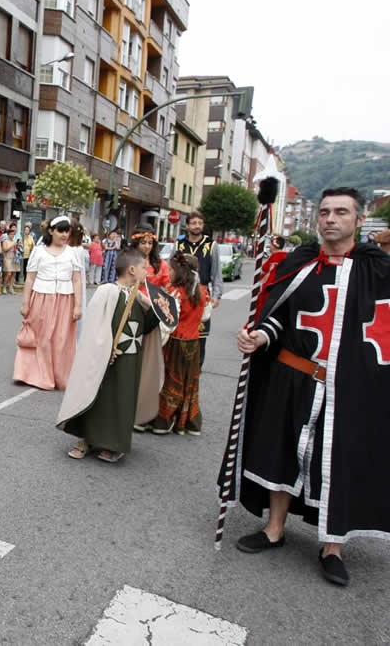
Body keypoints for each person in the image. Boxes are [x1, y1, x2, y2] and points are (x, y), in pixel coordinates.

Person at [228, 188, 390, 587]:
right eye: (324, 212)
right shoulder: (299, 265)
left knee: (338, 459)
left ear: (357, 219)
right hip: (293, 377)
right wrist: (260, 338)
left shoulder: (378, 271)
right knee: (282, 451)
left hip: (349, 388)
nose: (330, 218)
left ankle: (332, 546)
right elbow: (277, 316)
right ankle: (274, 528)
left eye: (340, 212)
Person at [57, 249, 162, 462]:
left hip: (130, 359)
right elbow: (95, 326)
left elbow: (145, 328)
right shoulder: (107, 291)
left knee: (121, 400)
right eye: (144, 268)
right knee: (98, 395)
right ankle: (87, 438)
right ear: (132, 270)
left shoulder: (140, 297)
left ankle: (115, 443)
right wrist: (104, 349)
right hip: (108, 356)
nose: (147, 272)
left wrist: (159, 312)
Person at [13, 217, 82, 391]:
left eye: (67, 231)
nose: (65, 234)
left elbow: (77, 280)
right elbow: (30, 279)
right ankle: (39, 375)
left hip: (65, 299)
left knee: (62, 339)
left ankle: (60, 376)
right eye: (61, 230)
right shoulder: (39, 251)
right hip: (41, 297)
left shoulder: (73, 252)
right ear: (51, 231)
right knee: (42, 337)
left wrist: (78, 306)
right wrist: (25, 304)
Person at [144, 253, 209, 435]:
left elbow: (169, 321)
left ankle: (163, 421)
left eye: (171, 269)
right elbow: (205, 315)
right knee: (189, 381)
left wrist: (159, 342)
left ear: (180, 271)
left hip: (175, 342)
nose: (169, 272)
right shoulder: (202, 291)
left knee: (170, 380)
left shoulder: (175, 293)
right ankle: (188, 421)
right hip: (193, 342)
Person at [176, 211, 222, 367]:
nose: (197, 226)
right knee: (179, 331)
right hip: (181, 292)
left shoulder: (211, 245)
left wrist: (216, 295)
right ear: (188, 225)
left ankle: (196, 369)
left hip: (202, 294)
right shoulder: (179, 244)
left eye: (200, 223)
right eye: (194, 223)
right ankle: (178, 368)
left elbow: (216, 272)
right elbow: (172, 268)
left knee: (200, 336)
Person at [131, 225, 169, 289]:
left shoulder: (160, 264)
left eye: (150, 243)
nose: (147, 246)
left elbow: (169, 286)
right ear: (136, 244)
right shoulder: (128, 261)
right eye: (143, 242)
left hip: (154, 298)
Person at [1, 225, 19, 294]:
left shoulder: (15, 241)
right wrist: (13, 244)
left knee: (13, 274)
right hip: (7, 258)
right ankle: (4, 287)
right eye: (11, 234)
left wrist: (18, 246)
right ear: (8, 235)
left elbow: (17, 250)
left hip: (14, 258)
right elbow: (5, 249)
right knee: (8, 273)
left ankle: (11, 287)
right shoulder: (5, 241)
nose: (12, 235)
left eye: (13, 234)